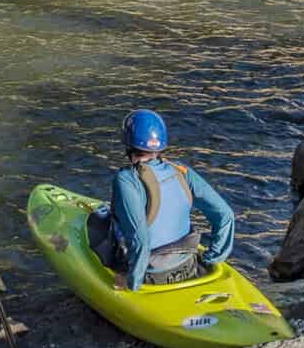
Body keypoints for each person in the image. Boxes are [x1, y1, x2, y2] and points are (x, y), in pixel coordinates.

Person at [92, 110, 234, 292]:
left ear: (127, 144)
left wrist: (133, 284)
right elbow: (225, 215)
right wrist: (210, 259)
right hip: (189, 267)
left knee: (97, 222)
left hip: (152, 278)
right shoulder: (182, 171)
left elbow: (140, 239)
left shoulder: (126, 179)